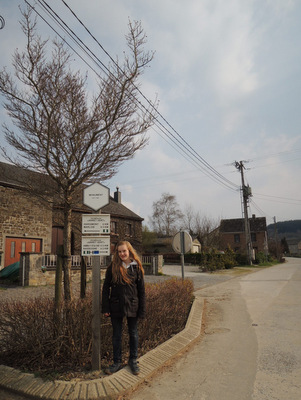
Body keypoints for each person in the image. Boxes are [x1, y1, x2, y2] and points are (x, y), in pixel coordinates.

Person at [102, 240, 146, 375]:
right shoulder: (113, 267)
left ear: (129, 251)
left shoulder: (137, 267)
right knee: (117, 335)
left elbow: (141, 291)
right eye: (119, 251)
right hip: (115, 305)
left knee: (133, 333)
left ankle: (133, 360)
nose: (122, 254)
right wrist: (106, 308)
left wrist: (142, 310)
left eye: (124, 251)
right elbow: (105, 289)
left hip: (133, 305)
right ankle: (117, 362)